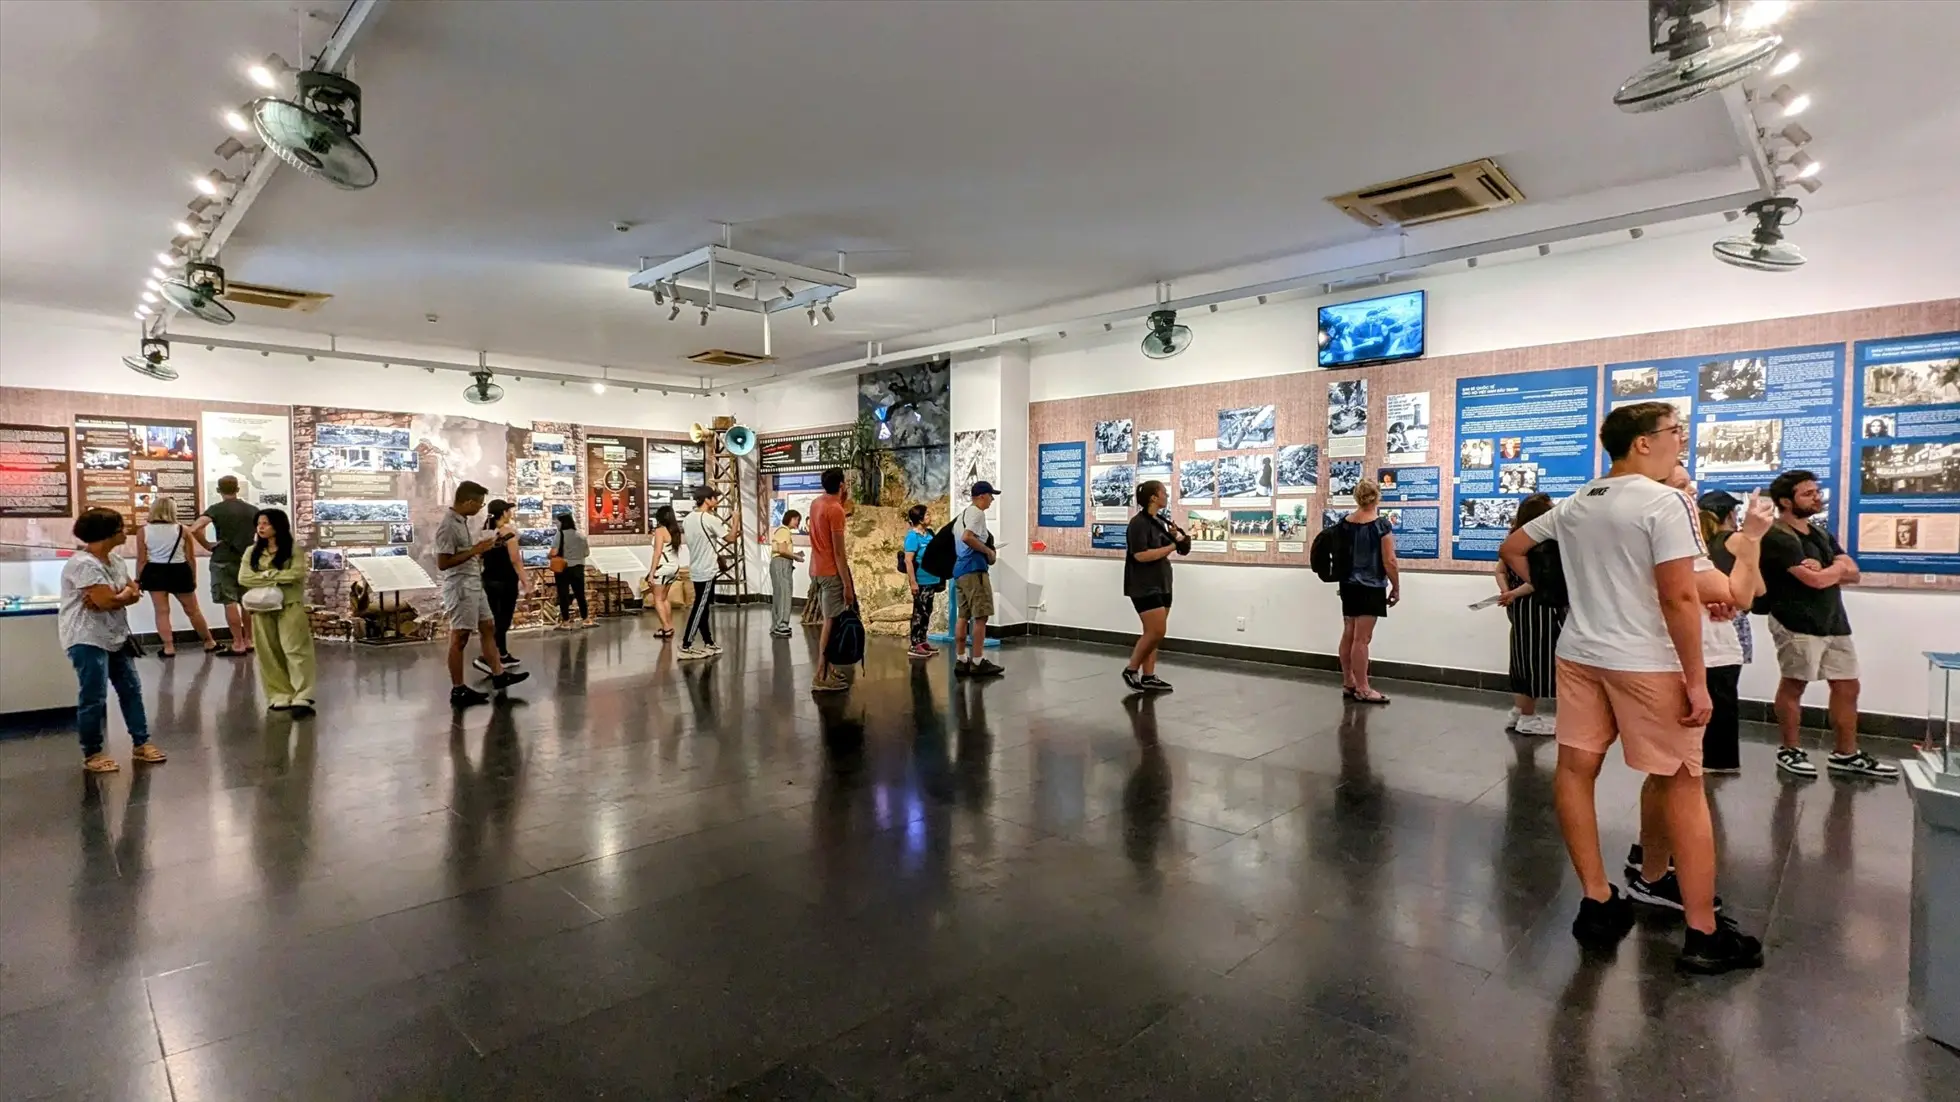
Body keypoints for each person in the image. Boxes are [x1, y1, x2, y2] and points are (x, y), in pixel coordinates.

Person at [1498, 401, 1761, 975]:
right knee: (1682, 784)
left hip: (1580, 653)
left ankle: (1597, 902)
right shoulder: (1664, 502)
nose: (1680, 443)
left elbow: (1514, 548)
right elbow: (1679, 595)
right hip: (1645, 662)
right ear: (1642, 442)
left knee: (1574, 772)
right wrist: (1697, 681)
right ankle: (1703, 934)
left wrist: (1566, 595)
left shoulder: (1578, 502)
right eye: (1674, 433)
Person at [1757, 469, 1896, 778]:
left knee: (1848, 685)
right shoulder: (1777, 536)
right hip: (1796, 621)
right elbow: (1815, 580)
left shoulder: (1818, 533)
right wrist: (1835, 569)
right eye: (1808, 494)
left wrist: (1829, 568)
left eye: (1816, 492)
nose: (1816, 497)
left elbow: (1854, 571)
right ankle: (1790, 749)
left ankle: (1846, 754)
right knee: (1795, 684)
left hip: (1834, 620)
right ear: (1785, 501)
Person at [60, 508, 164, 772]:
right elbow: (105, 600)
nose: (124, 530)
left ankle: (142, 743)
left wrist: (120, 597)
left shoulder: (115, 560)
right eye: (119, 526)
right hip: (86, 637)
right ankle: (92, 752)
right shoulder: (82, 563)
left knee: (130, 688)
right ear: (105, 533)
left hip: (115, 635)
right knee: (93, 695)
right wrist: (119, 597)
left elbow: (132, 591)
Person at [435, 480, 529, 707]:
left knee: (488, 626)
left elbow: (466, 553)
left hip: (474, 583)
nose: (480, 508)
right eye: (478, 503)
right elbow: (443, 562)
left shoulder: (462, 523)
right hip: (461, 587)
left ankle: (498, 674)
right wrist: (475, 550)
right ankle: (458, 689)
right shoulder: (448, 526)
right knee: (460, 637)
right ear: (468, 501)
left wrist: (485, 548)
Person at [1692, 488, 1757, 774]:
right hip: (1722, 628)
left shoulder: (1696, 544)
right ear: (1730, 515)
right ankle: (1718, 759)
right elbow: (1751, 593)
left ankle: (1703, 756)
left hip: (1698, 628)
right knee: (1722, 693)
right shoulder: (1735, 541)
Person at [236, 508, 317, 717]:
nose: (261, 527)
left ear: (278, 526)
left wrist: (266, 575)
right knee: (268, 652)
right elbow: (244, 578)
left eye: (266, 523)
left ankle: (302, 695)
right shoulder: (250, 552)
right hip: (262, 608)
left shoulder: (293, 550)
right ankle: (279, 694)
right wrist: (275, 577)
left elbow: (296, 574)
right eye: (259, 523)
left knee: (295, 649)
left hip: (289, 605)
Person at [1495, 492, 1560, 735]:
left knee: (1522, 659)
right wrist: (1513, 594)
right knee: (1537, 662)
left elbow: (1499, 571)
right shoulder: (1542, 545)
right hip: (1538, 608)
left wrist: (1507, 593)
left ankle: (1518, 711)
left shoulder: (1513, 538)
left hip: (1518, 608)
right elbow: (1538, 581)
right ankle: (1528, 717)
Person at [1122, 480, 1189, 692]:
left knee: (1154, 633)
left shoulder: (1159, 521)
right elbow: (1141, 555)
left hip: (1162, 583)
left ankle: (1149, 675)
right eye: (1164, 492)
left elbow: (1184, 547)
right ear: (1153, 497)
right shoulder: (1138, 523)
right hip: (1143, 584)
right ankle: (1132, 669)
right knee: (1156, 631)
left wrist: (1178, 537)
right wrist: (1170, 546)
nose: (1166, 495)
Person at [1338, 479, 1399, 704]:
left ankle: (1349, 681)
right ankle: (1363, 688)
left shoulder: (1345, 523)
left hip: (1348, 585)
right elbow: (1389, 560)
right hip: (1370, 586)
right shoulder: (1380, 525)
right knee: (1362, 639)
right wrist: (1396, 587)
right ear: (1377, 496)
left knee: (1349, 633)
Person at [135, 495, 218, 656]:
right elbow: (190, 558)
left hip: (154, 572)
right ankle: (209, 642)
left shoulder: (143, 531)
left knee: (161, 611)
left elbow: (142, 560)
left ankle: (168, 647)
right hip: (180, 571)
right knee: (193, 610)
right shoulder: (183, 530)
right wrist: (193, 577)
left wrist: (138, 579)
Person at [189, 474, 257, 655]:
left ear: (219, 490)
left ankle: (237, 642)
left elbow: (195, 528)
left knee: (229, 602)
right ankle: (249, 640)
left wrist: (207, 545)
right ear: (238, 489)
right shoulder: (252, 510)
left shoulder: (216, 509)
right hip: (247, 560)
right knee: (246, 602)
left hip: (223, 559)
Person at [807, 467, 856, 691]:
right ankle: (821, 674)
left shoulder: (817, 503)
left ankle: (828, 668)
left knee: (831, 621)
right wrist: (847, 584)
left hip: (817, 570)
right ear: (842, 485)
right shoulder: (835, 510)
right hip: (830, 572)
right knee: (831, 622)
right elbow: (838, 552)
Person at [952, 480, 1005, 679]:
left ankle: (961, 658)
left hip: (960, 570)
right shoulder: (977, 513)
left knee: (963, 615)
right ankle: (977, 661)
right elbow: (968, 537)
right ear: (981, 496)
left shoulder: (961, 516)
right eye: (991, 496)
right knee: (981, 616)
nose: (992, 501)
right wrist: (988, 552)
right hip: (974, 570)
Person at [679, 485, 738, 659]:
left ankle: (708, 642)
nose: (717, 500)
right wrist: (736, 520)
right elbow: (731, 538)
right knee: (700, 607)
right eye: (714, 497)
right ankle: (686, 645)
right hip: (706, 570)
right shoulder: (709, 518)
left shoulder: (688, 518)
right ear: (707, 499)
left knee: (703, 608)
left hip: (697, 567)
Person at [477, 499, 526, 673]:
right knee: (503, 620)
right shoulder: (508, 533)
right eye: (508, 510)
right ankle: (488, 657)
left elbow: (479, 557)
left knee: (495, 619)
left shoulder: (485, 533)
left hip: (489, 580)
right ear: (503, 513)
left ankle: (502, 654)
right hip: (506, 581)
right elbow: (515, 560)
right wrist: (526, 582)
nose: (510, 513)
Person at [902, 504, 942, 658]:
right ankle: (915, 643)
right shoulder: (913, 537)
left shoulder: (929, 534)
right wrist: (913, 582)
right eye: (927, 515)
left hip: (932, 579)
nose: (929, 517)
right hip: (921, 580)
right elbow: (908, 561)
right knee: (919, 612)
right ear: (919, 519)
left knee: (927, 611)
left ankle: (923, 640)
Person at [643, 504, 684, 638]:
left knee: (657, 599)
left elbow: (657, 553)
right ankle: (669, 625)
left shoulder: (660, 531)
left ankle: (666, 627)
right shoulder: (675, 531)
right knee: (665, 598)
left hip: (662, 568)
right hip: (674, 567)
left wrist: (651, 573)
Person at [550, 512, 592, 629]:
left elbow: (554, 552)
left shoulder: (560, 535)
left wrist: (550, 556)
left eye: (557, 522)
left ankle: (566, 621)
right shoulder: (581, 536)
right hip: (578, 568)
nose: (556, 524)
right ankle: (586, 619)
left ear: (562, 522)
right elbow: (586, 553)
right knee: (580, 594)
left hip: (563, 568)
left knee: (563, 594)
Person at [770, 508, 805, 638]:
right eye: (796, 519)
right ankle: (781, 625)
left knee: (780, 595)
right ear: (790, 518)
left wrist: (795, 554)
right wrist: (797, 557)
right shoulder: (784, 531)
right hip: (782, 564)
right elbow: (783, 550)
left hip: (780, 563)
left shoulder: (783, 532)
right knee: (785, 594)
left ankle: (777, 625)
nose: (797, 522)